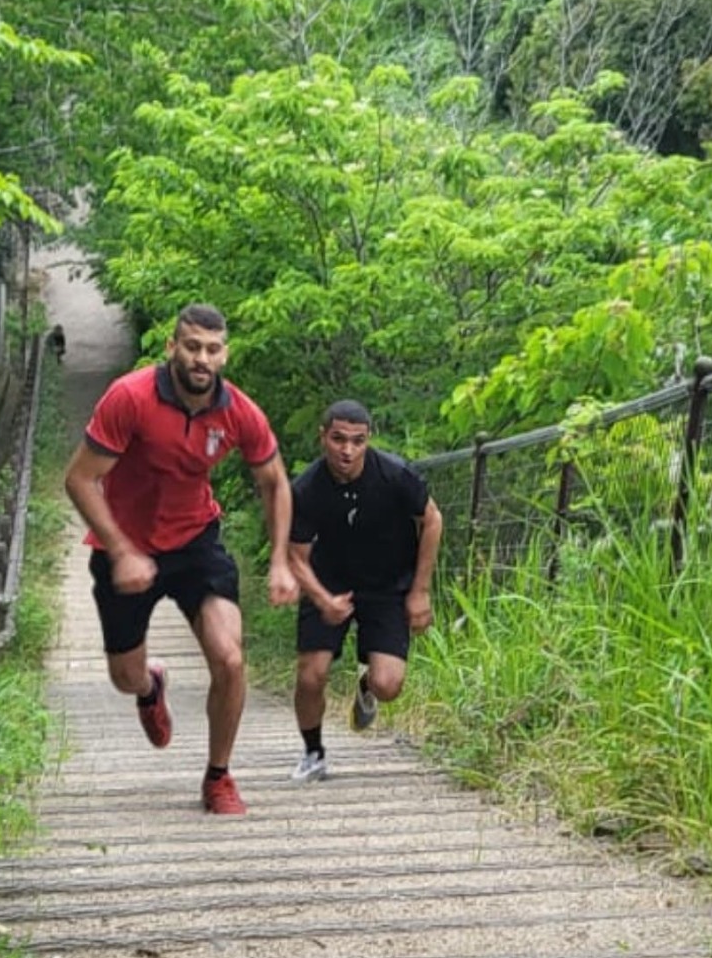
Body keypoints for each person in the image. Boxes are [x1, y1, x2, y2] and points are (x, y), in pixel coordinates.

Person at [64, 302, 298, 815]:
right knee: (124, 677)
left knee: (230, 658)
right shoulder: (130, 397)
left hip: (195, 543)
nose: (201, 359)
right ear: (172, 347)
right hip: (124, 548)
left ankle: (218, 776)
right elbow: (79, 478)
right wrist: (122, 550)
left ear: (225, 355)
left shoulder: (239, 412)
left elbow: (275, 482)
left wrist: (281, 561)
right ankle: (150, 687)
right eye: (192, 347)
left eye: (212, 350)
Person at [288, 399, 443, 782]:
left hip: (387, 585)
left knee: (388, 685)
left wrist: (420, 591)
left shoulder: (395, 475)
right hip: (328, 583)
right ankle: (313, 752)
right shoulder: (305, 489)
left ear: (368, 439)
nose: (347, 450)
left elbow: (432, 519)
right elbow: (296, 556)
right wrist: (322, 599)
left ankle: (367, 685)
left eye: (357, 441)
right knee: (311, 675)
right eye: (338, 439)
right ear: (323, 437)